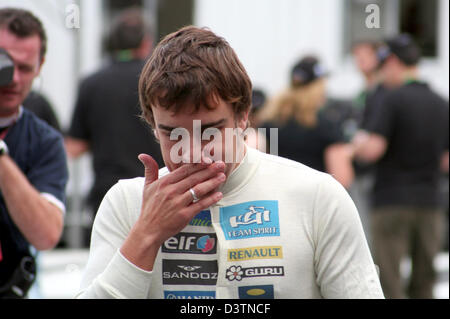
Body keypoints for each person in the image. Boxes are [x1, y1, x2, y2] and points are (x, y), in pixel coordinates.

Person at [76, 26, 383, 299]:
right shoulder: (126, 204)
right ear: (152, 124)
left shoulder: (318, 198)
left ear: (243, 115)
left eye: (210, 131)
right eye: (173, 133)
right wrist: (146, 234)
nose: (193, 152)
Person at [352, 34, 449, 299]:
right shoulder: (442, 103)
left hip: (391, 200)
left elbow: (373, 150)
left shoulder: (390, 99)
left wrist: (356, 144)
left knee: (389, 280)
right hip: (430, 202)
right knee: (424, 280)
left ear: (393, 62)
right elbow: (445, 160)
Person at [65, 9, 163, 245]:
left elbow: (73, 147)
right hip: (156, 191)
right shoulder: (159, 81)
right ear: (146, 42)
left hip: (107, 195)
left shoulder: (91, 83)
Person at [0, 8, 68, 299]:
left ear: (40, 67)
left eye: (25, 68)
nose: (13, 78)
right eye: (5, 63)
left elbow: (46, 235)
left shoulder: (44, 142)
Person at [260, 56, 354, 189]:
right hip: (314, 202)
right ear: (318, 86)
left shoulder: (270, 123)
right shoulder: (325, 125)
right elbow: (342, 178)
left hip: (279, 200)